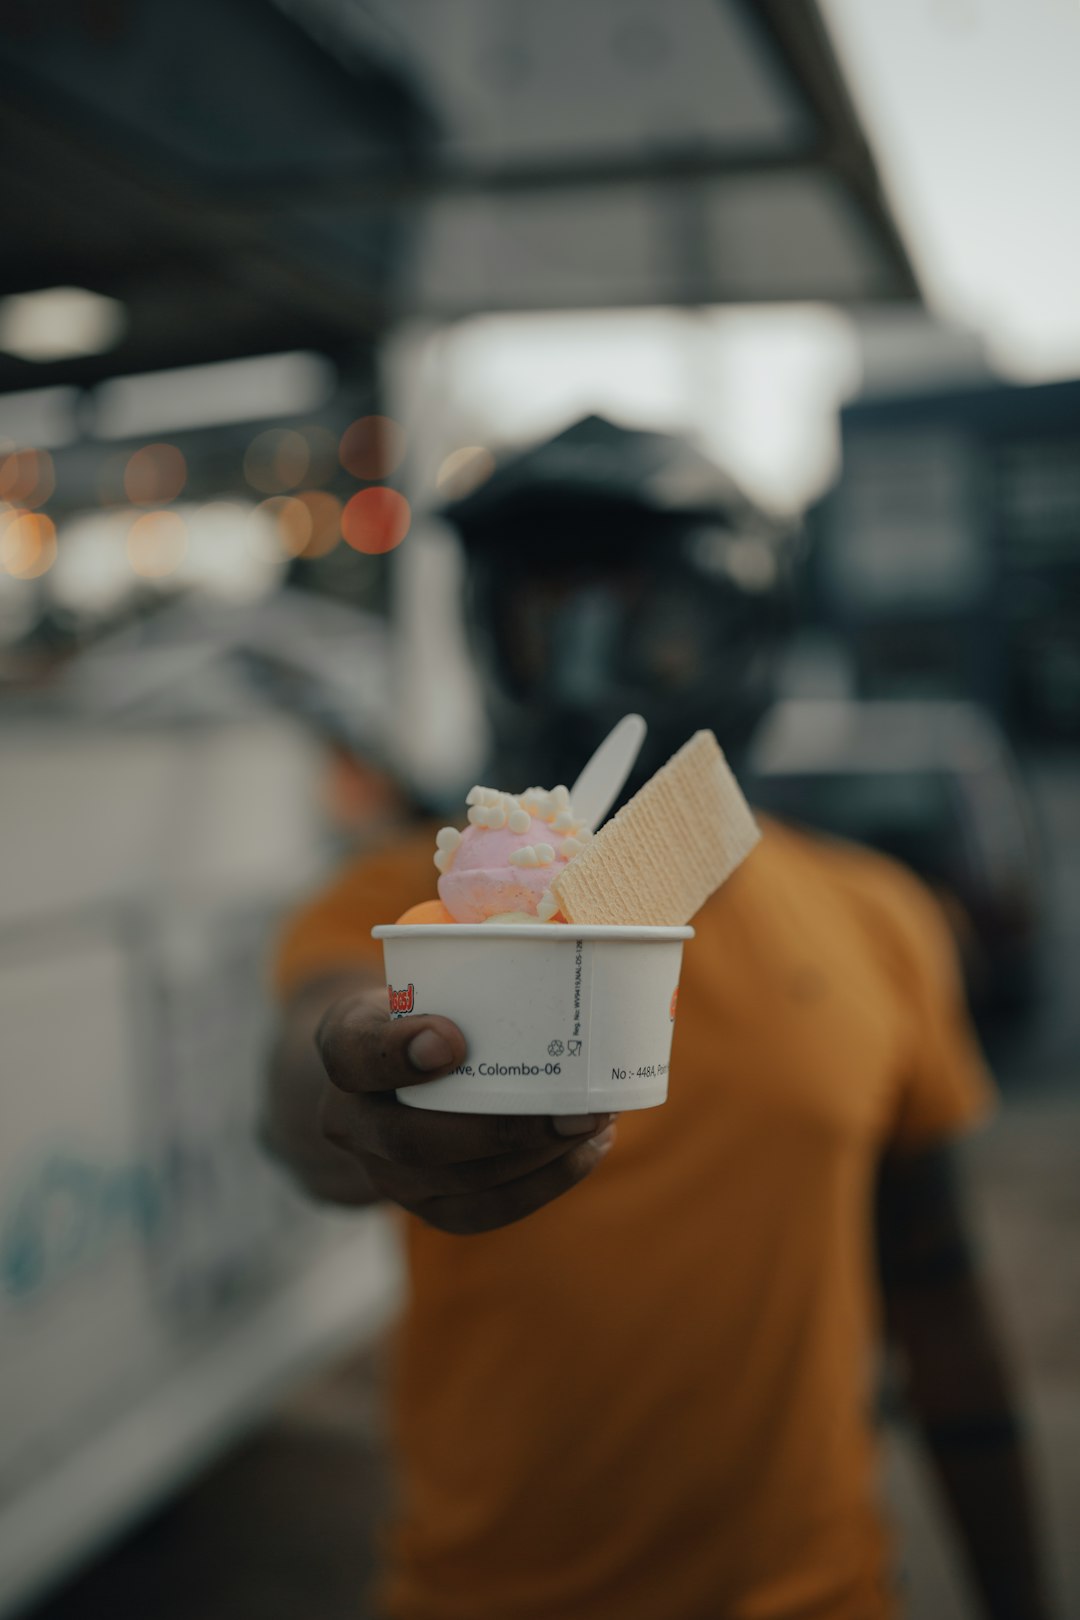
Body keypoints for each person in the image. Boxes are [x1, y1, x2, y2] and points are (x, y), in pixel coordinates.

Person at [263, 417, 1050, 1619]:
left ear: (743, 624)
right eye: (546, 608)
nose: (587, 658)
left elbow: (936, 1292)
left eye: (642, 611)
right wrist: (358, 1102)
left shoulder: (879, 919)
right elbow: (306, 1079)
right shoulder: (403, 908)